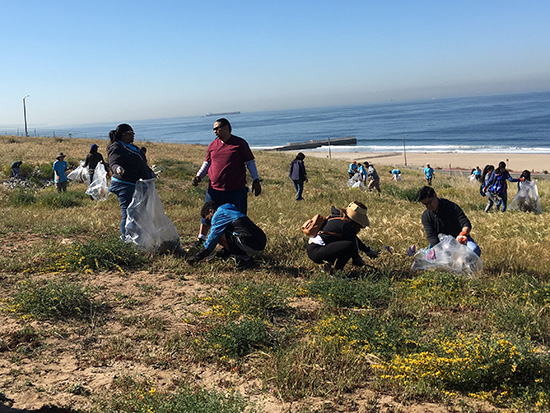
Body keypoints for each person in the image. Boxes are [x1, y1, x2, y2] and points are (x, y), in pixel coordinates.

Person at [191, 118, 261, 249]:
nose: (215, 131)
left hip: (236, 189)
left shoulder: (240, 144)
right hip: (214, 189)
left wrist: (256, 179)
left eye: (217, 128)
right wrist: (198, 176)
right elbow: (207, 163)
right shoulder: (212, 145)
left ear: (227, 127)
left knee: (237, 217)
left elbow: (250, 162)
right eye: (213, 129)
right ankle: (201, 239)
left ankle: (236, 245)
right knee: (207, 213)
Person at [186, 201, 266, 269]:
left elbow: (212, 239)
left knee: (219, 235)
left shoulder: (218, 215)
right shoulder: (229, 211)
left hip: (251, 244)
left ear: (211, 211)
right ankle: (232, 254)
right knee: (225, 231)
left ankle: (245, 259)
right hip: (261, 242)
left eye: (209, 218)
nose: (210, 222)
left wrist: (198, 257)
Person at [107, 123, 154, 238]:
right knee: (128, 212)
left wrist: (149, 173)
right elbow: (113, 162)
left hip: (137, 183)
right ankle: (126, 238)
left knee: (138, 212)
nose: (133, 136)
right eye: (131, 134)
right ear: (125, 135)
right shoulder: (116, 147)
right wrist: (117, 169)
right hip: (124, 185)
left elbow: (141, 162)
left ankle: (138, 235)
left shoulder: (133, 147)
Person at [306, 201, 378, 273]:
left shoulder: (338, 217)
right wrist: (357, 260)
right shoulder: (346, 225)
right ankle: (336, 273)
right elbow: (353, 245)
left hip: (312, 247)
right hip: (317, 252)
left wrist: (367, 250)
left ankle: (328, 265)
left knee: (343, 243)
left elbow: (354, 238)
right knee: (349, 246)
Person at [417, 186, 481, 256]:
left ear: (435, 195)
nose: (428, 206)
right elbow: (432, 237)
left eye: (429, 202)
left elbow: (465, 222)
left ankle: (466, 265)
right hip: (441, 243)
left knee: (474, 250)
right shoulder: (426, 216)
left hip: (459, 239)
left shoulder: (451, 206)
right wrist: (441, 251)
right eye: (425, 204)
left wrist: (463, 234)